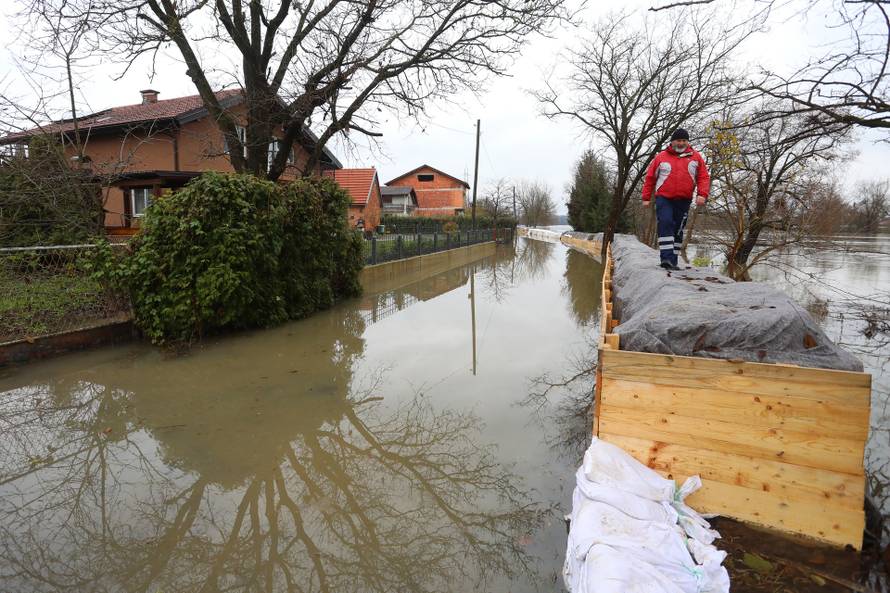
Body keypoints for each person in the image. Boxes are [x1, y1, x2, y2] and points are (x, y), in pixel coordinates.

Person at [641, 128, 710, 270]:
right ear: (672, 142)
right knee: (665, 222)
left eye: (684, 140)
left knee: (678, 229)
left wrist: (702, 194)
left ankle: (673, 261)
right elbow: (650, 178)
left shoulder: (696, 157)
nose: (681, 143)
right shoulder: (661, 157)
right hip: (664, 198)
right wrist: (646, 197)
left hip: (684, 199)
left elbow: (703, 177)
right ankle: (666, 258)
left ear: (688, 142)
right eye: (678, 140)